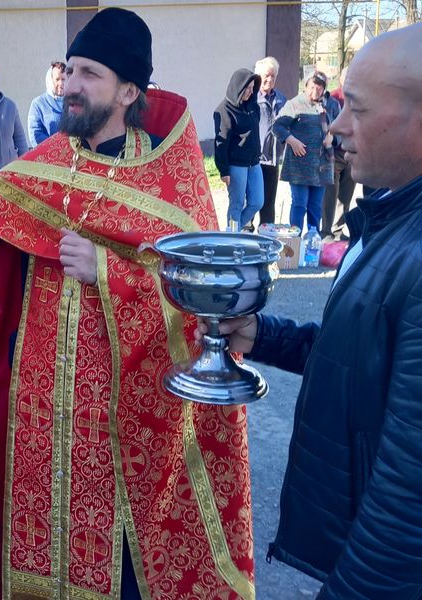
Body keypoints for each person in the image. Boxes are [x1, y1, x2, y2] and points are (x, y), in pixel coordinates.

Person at [0, 8, 254, 600]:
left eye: (88, 73)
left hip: (144, 418)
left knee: (129, 566)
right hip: (49, 408)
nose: (70, 84)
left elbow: (204, 299)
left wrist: (111, 272)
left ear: (128, 90)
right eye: (69, 70)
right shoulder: (51, 162)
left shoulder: (171, 178)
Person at [202, 23, 422, 598]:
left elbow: (408, 496)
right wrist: (260, 333)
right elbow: (357, 357)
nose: (336, 127)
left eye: (359, 110)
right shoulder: (390, 217)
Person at [273, 71, 338, 232]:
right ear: (306, 86)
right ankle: (294, 243)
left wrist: (333, 137)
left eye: (319, 88)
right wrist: (291, 140)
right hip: (299, 165)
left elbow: (341, 128)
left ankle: (312, 242)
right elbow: (277, 127)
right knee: (300, 203)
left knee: (315, 207)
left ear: (324, 89)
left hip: (322, 166)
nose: (315, 91)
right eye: (312, 87)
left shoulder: (331, 105)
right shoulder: (295, 104)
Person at [213, 68, 263, 230]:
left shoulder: (252, 107)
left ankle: (233, 230)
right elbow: (221, 143)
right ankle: (233, 240)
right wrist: (224, 170)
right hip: (236, 165)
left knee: (257, 201)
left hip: (254, 163)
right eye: (247, 88)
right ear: (238, 86)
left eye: (252, 88)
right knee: (236, 203)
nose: (249, 92)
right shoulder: (224, 110)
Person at [320, 67, 355, 241]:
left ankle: (338, 231)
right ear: (341, 79)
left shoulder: (358, 98)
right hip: (334, 153)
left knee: (346, 196)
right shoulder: (334, 98)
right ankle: (325, 231)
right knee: (330, 194)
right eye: (347, 77)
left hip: (353, 152)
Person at [254, 56, 287, 225]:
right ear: (258, 76)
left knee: (269, 202)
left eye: (273, 76)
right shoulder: (251, 97)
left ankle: (266, 234)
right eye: (267, 75)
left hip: (273, 158)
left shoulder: (281, 98)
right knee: (252, 198)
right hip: (254, 158)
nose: (270, 79)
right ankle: (246, 231)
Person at [27, 60, 66, 146]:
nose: (61, 83)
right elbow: (35, 133)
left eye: (63, 79)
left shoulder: (74, 103)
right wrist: (56, 147)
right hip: (47, 154)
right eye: (57, 79)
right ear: (50, 80)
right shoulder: (38, 104)